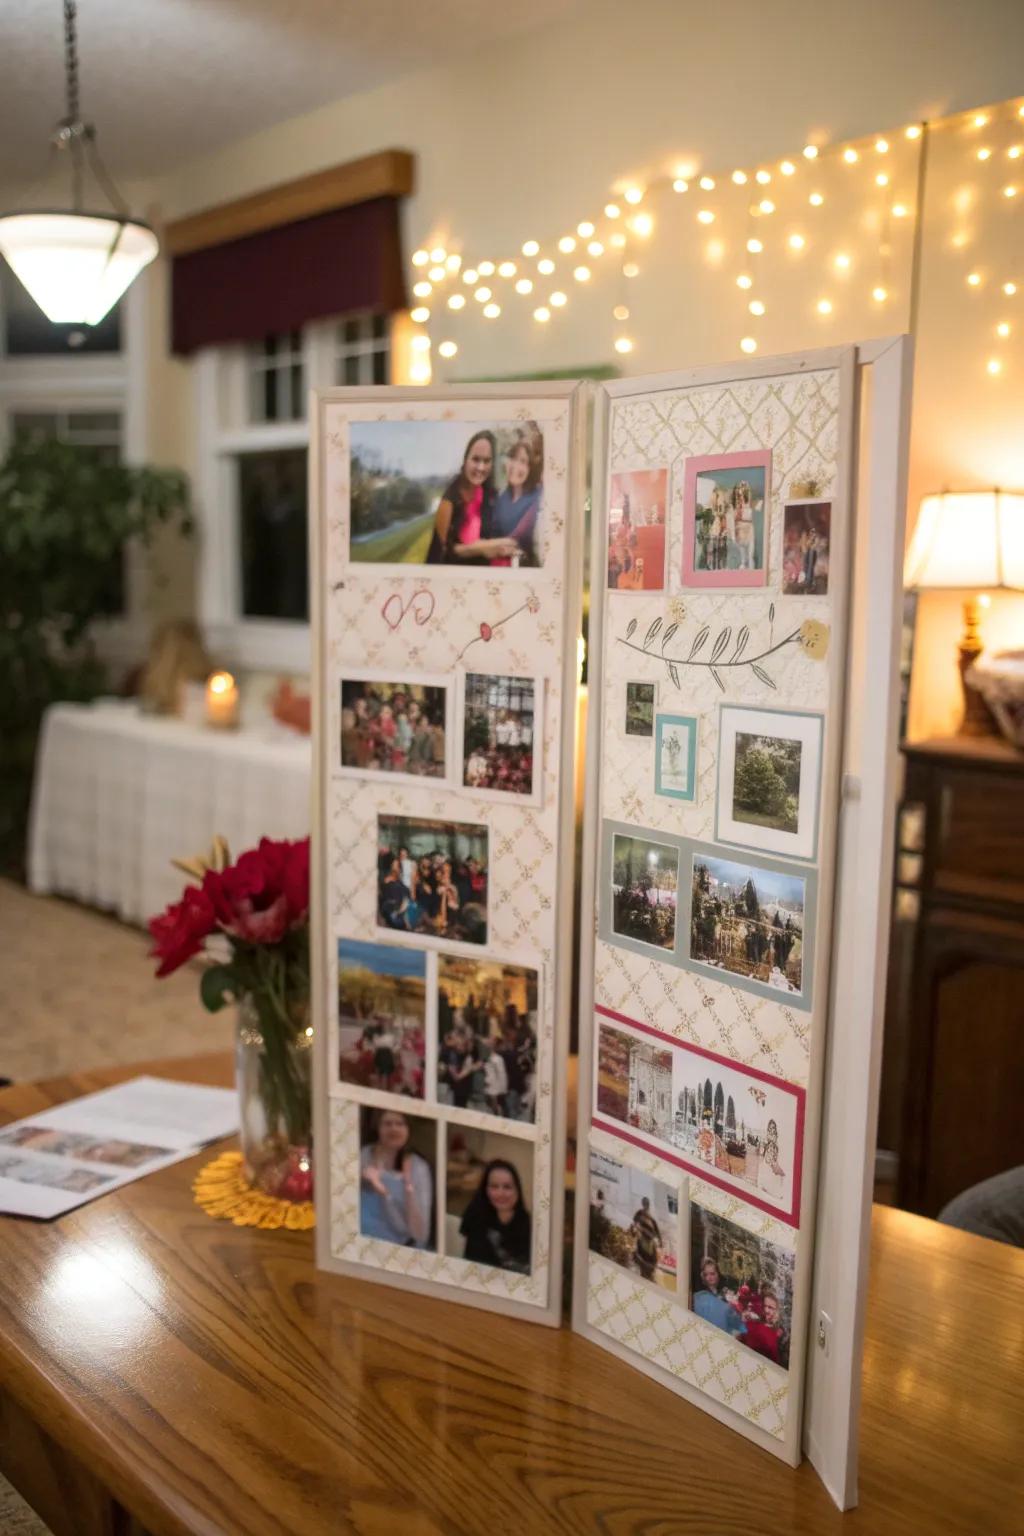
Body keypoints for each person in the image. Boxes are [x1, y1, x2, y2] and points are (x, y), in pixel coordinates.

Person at [425, 431, 520, 565]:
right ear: (465, 460)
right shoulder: (449, 501)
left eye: (486, 461)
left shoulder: (491, 495)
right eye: (475, 459)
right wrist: (479, 548)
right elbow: (441, 554)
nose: (481, 467)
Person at [359, 1110, 433, 1249]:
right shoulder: (366, 1154)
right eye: (387, 1124)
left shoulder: (419, 1168)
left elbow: (420, 1234)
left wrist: (386, 1192)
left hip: (394, 1245)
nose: (394, 1128)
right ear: (378, 1128)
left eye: (400, 1124)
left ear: (408, 1130)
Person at [458, 1158, 532, 1272]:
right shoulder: (475, 1213)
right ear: (485, 1189)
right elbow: (469, 1262)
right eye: (494, 1186)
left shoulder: (529, 1224)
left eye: (507, 1187)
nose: (500, 1193)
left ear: (517, 1190)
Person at [490, 437, 543, 566]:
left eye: (523, 461)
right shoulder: (501, 499)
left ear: (530, 469)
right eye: (513, 458)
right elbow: (493, 535)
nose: (516, 466)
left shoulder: (538, 495)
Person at [692, 1256, 744, 1336]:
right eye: (706, 1275)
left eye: (712, 1274)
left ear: (718, 1274)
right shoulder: (701, 1295)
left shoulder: (726, 1292)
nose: (709, 1278)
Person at [631, 1195, 663, 1282]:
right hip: (642, 1242)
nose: (646, 1205)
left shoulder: (652, 1220)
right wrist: (635, 1231)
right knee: (642, 1265)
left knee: (649, 1266)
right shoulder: (639, 1214)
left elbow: (656, 1233)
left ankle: (649, 1276)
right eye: (645, 1203)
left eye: (647, 1203)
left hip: (650, 1244)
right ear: (643, 1204)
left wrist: (659, 1244)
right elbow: (634, 1226)